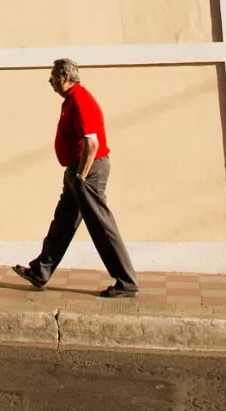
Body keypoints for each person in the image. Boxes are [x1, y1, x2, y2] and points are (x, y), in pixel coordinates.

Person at [13, 58, 141, 298]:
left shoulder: (81, 101)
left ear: (65, 77)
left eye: (52, 76)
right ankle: (40, 271)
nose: (50, 81)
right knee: (63, 221)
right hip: (77, 171)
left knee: (101, 225)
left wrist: (81, 176)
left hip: (88, 172)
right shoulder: (71, 100)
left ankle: (126, 282)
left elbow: (92, 144)